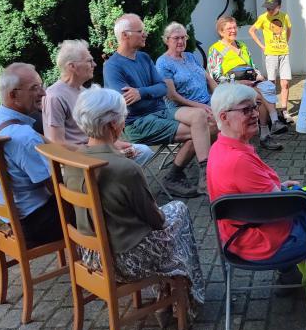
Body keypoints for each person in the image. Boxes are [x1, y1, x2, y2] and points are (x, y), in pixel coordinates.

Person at [64, 85, 205, 319]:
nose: (124, 124)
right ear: (112, 125)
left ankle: (166, 294)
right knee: (177, 212)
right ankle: (184, 298)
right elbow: (156, 221)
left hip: (88, 253)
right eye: (122, 119)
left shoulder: (71, 160)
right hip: (123, 261)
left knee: (167, 220)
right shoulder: (126, 169)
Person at [206, 83, 306, 288]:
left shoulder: (221, 147)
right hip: (261, 245)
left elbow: (251, 194)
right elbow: (283, 206)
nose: (255, 114)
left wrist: (278, 186)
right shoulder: (238, 161)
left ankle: (289, 274)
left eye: (255, 107)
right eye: (245, 110)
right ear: (223, 117)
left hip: (234, 236)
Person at [102, 13, 213, 198]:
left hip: (160, 111)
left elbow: (162, 89)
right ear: (125, 35)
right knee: (202, 129)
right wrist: (146, 93)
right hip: (136, 123)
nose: (145, 34)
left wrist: (141, 92)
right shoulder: (113, 66)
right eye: (140, 31)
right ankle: (182, 177)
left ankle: (203, 176)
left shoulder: (144, 58)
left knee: (200, 118)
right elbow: (124, 100)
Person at [0, 63, 62, 247]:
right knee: (100, 205)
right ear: (13, 95)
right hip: (34, 224)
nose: (43, 93)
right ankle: (103, 267)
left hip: (9, 216)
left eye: (42, 85)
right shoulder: (23, 137)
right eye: (35, 88)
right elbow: (54, 187)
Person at [43, 39, 153, 166]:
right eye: (89, 61)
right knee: (132, 164)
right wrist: (106, 152)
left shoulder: (84, 91)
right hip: (78, 160)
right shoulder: (54, 96)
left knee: (142, 151)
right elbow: (57, 143)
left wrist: (114, 144)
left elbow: (96, 132)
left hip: (96, 150)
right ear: (72, 66)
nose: (94, 64)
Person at [208, 15, 285, 151]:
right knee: (256, 95)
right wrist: (237, 81)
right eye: (229, 28)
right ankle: (270, 127)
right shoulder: (216, 49)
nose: (233, 30)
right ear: (221, 32)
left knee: (266, 88)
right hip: (229, 86)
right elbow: (215, 75)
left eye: (234, 27)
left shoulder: (242, 46)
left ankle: (269, 128)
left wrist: (259, 75)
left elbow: (252, 65)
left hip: (249, 81)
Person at [248, 0, 294, 124]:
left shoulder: (284, 16)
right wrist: (262, 46)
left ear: (279, 6)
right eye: (267, 8)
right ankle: (271, 112)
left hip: (284, 53)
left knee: (285, 83)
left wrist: (286, 41)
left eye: (272, 8)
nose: (269, 10)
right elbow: (251, 30)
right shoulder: (263, 18)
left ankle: (284, 111)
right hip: (271, 54)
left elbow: (289, 29)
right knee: (271, 84)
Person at [155, 22, 217, 116]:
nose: (181, 41)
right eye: (176, 38)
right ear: (167, 40)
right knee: (215, 119)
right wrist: (200, 106)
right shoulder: (163, 62)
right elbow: (172, 95)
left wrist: (220, 97)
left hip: (207, 102)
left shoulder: (190, 56)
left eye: (183, 37)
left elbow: (209, 80)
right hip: (183, 108)